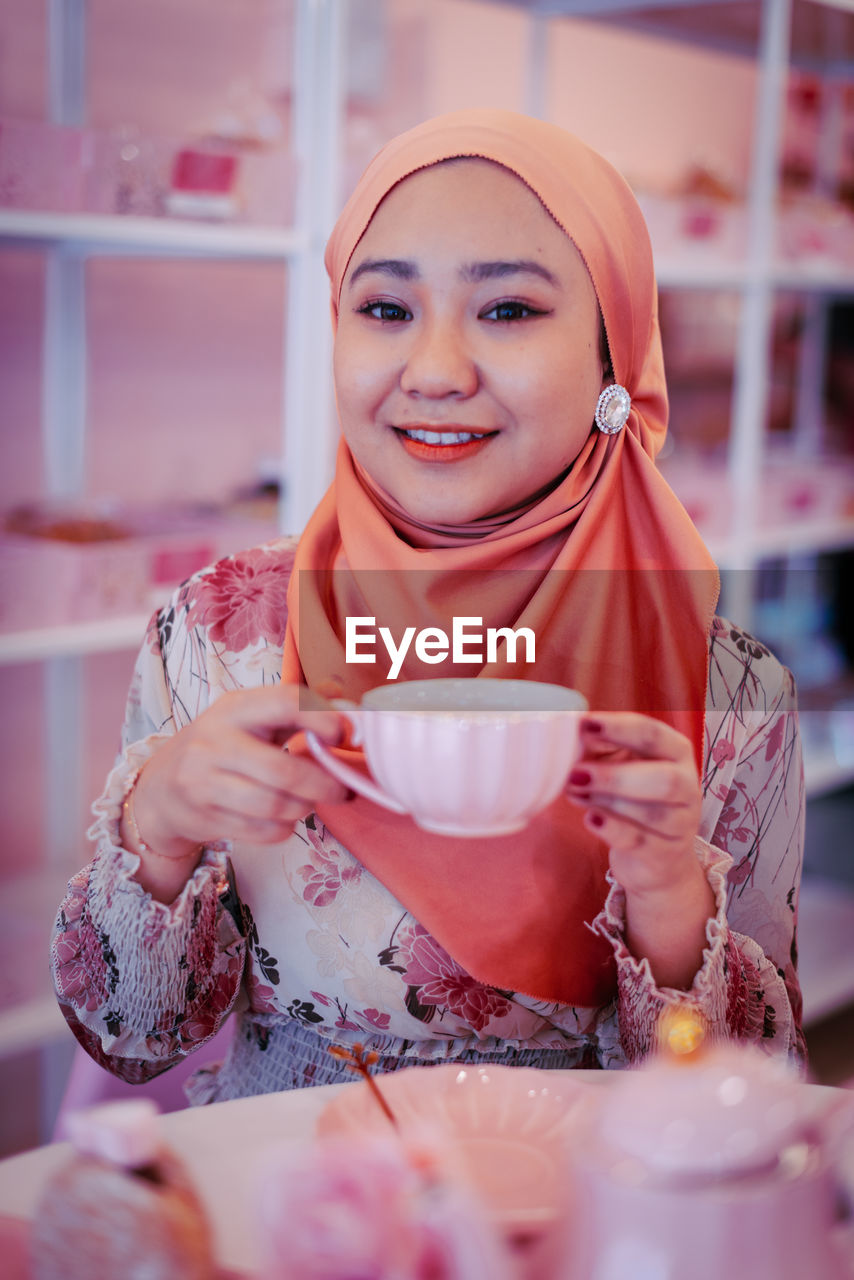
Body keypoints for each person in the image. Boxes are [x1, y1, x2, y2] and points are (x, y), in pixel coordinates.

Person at [52, 110, 806, 1105]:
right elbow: (130, 1036)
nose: (436, 370)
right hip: (294, 1208)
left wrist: (668, 900)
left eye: (507, 310)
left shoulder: (726, 689)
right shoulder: (221, 633)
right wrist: (160, 821)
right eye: (384, 309)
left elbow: (744, 1097)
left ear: (611, 354)